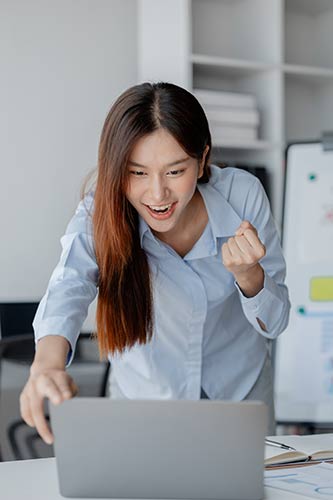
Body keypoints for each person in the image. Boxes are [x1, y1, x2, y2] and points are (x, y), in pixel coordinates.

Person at [20, 82, 290, 444]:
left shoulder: (242, 197)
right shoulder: (99, 212)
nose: (158, 194)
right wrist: (47, 365)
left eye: (176, 171)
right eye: (137, 173)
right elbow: (69, 284)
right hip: (142, 401)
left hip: (239, 394)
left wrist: (249, 276)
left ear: (203, 159)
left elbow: (276, 322)